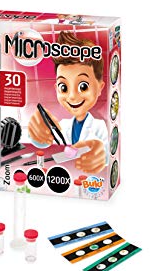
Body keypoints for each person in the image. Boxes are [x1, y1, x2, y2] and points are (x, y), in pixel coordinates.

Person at [28, 31, 108, 174]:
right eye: (64, 88)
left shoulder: (99, 126)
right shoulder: (63, 125)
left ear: (100, 87)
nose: (72, 96)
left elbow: (108, 152)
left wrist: (102, 155)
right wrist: (37, 135)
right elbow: (45, 145)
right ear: (56, 88)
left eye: (83, 86)